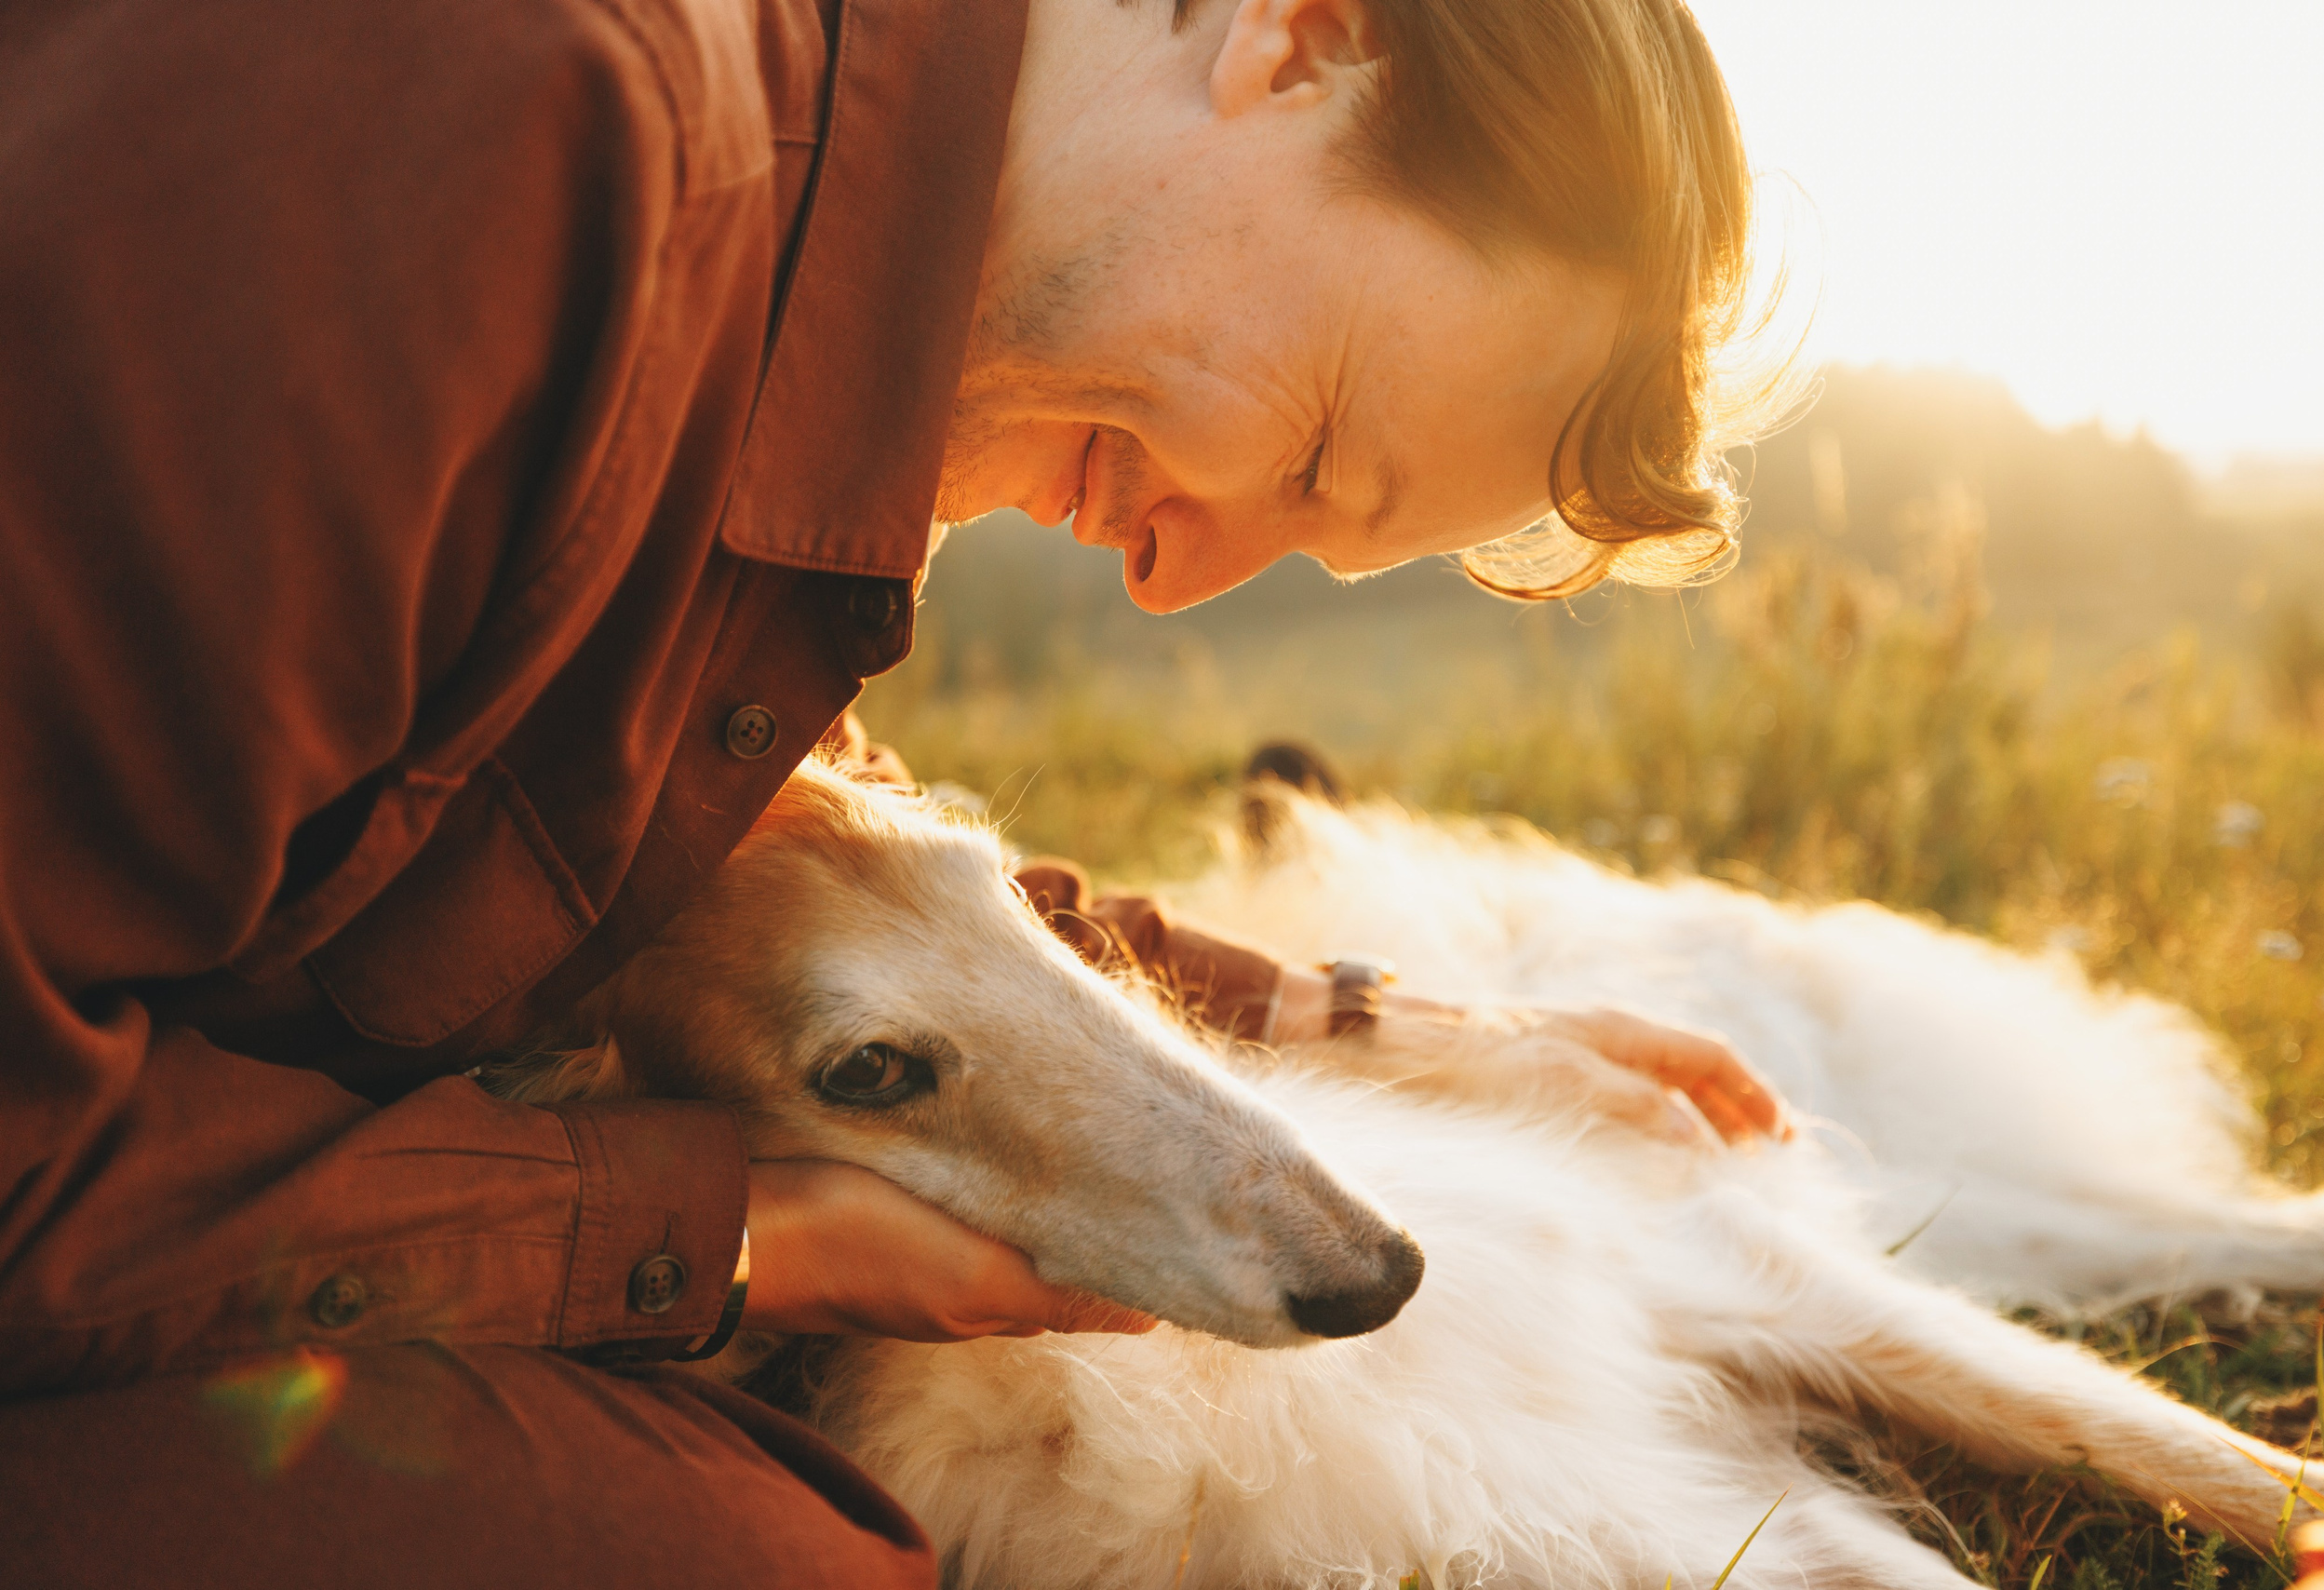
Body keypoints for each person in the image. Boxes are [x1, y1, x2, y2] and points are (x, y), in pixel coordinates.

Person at [0, 0, 1784, 1582]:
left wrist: (1355, 1016)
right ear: (1297, 42)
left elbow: (789, 846)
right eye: (1316, 445)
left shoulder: (804, 332)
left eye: (1313, 536)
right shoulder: (523, 142)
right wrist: (740, 1233)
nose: (1175, 582)